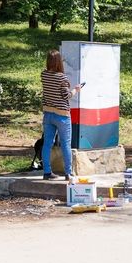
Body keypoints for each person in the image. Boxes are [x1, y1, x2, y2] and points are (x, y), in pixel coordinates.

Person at [40, 50, 82, 181]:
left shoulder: (44, 75)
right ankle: (68, 173)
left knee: (47, 144)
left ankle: (47, 172)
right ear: (59, 62)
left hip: (48, 114)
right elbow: (66, 96)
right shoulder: (62, 78)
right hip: (62, 115)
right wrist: (76, 89)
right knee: (65, 144)